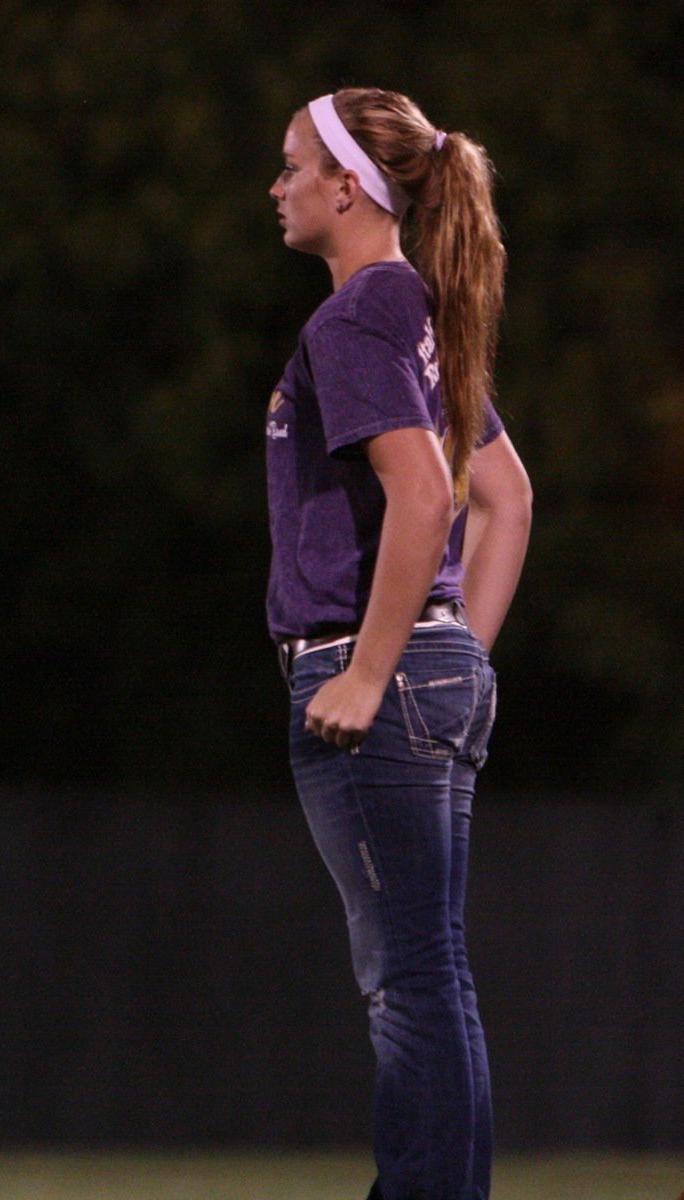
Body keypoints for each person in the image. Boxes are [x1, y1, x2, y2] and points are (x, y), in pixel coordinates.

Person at [266, 89, 532, 1200]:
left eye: (290, 167)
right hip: (436, 674)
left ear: (345, 185)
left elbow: (431, 500)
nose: (275, 188)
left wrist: (380, 672)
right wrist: (456, 658)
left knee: (408, 985)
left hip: (371, 674)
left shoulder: (358, 314)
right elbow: (506, 502)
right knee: (434, 976)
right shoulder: (420, 308)